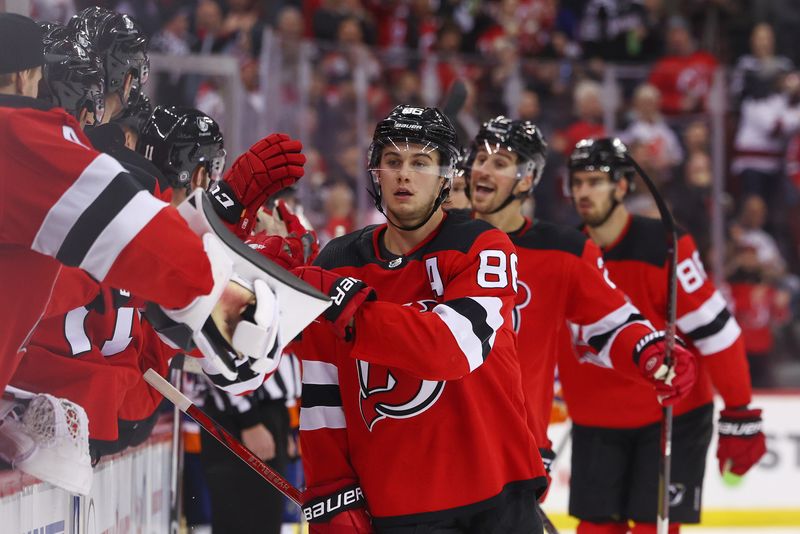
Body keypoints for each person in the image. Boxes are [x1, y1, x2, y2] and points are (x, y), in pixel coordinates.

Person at [290, 105, 546, 533]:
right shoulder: (337, 262)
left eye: (420, 162)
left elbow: (452, 348)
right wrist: (329, 489)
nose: (403, 174)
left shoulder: (482, 245)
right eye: (392, 161)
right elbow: (322, 389)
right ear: (376, 172)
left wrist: (346, 305)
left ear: (446, 177)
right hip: (398, 502)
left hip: (497, 496)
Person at [465, 117, 697, 470]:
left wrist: (649, 353)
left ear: (526, 179)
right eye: (479, 158)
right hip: (439, 441)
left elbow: (612, 323)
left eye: (499, 163)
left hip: (516, 449)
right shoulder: (441, 240)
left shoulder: (565, 251)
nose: (483, 169)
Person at [564, 137, 767, 534]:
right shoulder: (567, 251)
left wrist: (739, 412)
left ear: (621, 187)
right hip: (596, 420)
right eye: (577, 182)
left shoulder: (665, 246)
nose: (583, 192)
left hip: (670, 417)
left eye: (594, 181)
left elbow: (716, 332)